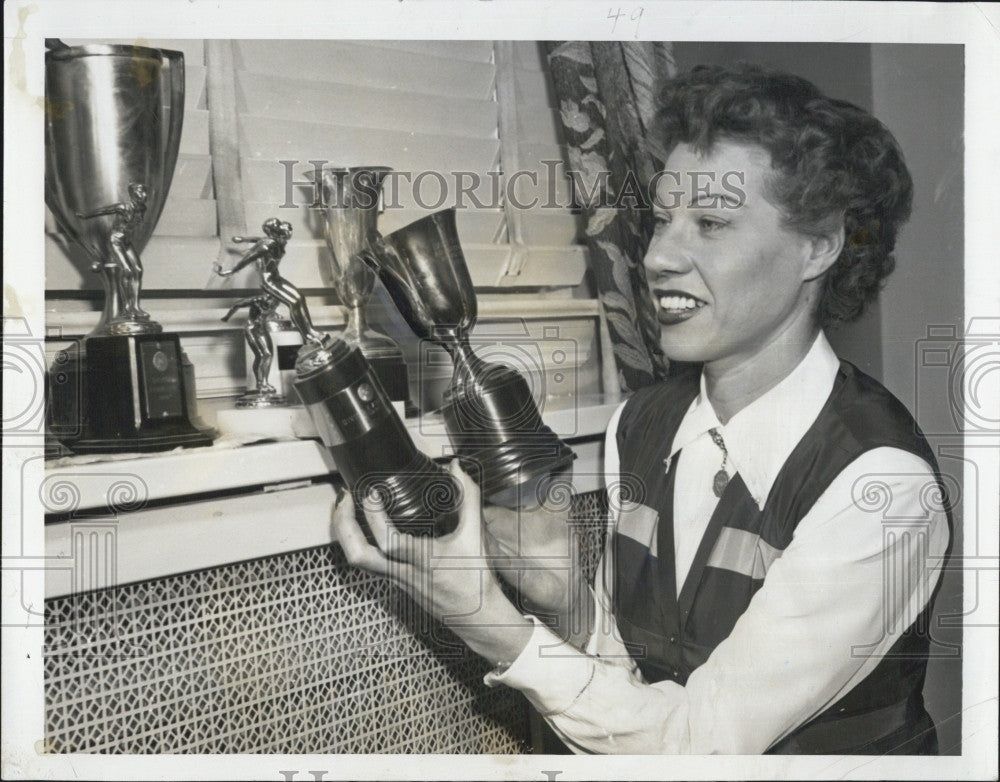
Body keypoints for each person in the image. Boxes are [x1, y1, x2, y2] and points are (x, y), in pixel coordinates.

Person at [331, 63, 951, 755]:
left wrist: (486, 621)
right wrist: (565, 600)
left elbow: (698, 746)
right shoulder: (641, 424)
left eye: (711, 222)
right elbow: (630, 684)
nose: (658, 257)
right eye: (661, 220)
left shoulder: (881, 488)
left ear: (819, 246)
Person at [214, 218, 326, 344]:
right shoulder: (266, 246)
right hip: (269, 281)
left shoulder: (277, 240)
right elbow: (248, 258)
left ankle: (311, 330)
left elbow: (258, 239)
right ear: (272, 232)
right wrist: (231, 271)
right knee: (293, 303)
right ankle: (308, 336)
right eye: (277, 227)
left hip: (276, 277)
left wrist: (244, 239)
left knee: (300, 297)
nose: (280, 229)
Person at [76, 181, 151, 321]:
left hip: (127, 242)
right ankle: (127, 307)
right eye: (139, 191)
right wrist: (85, 215)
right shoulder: (124, 206)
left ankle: (136, 306)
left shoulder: (142, 209)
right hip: (115, 241)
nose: (143, 194)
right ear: (132, 193)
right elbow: (104, 210)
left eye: (144, 190)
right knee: (127, 270)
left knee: (138, 270)